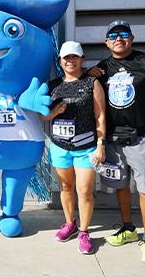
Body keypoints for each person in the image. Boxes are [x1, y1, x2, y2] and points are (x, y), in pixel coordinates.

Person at [89, 20, 145, 264]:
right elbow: (91, 94)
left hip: (140, 139)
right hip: (113, 140)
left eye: (124, 34)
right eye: (113, 35)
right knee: (121, 186)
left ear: (132, 38)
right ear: (106, 42)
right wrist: (88, 73)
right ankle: (129, 228)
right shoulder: (102, 67)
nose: (119, 38)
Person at [42, 41, 106, 254]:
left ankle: (84, 232)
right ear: (60, 61)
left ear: (82, 59)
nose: (70, 61)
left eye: (74, 57)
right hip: (60, 147)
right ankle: (70, 223)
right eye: (66, 58)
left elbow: (100, 115)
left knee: (85, 191)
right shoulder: (52, 85)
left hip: (86, 147)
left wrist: (100, 144)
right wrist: (53, 114)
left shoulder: (91, 82)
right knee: (66, 188)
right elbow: (43, 115)